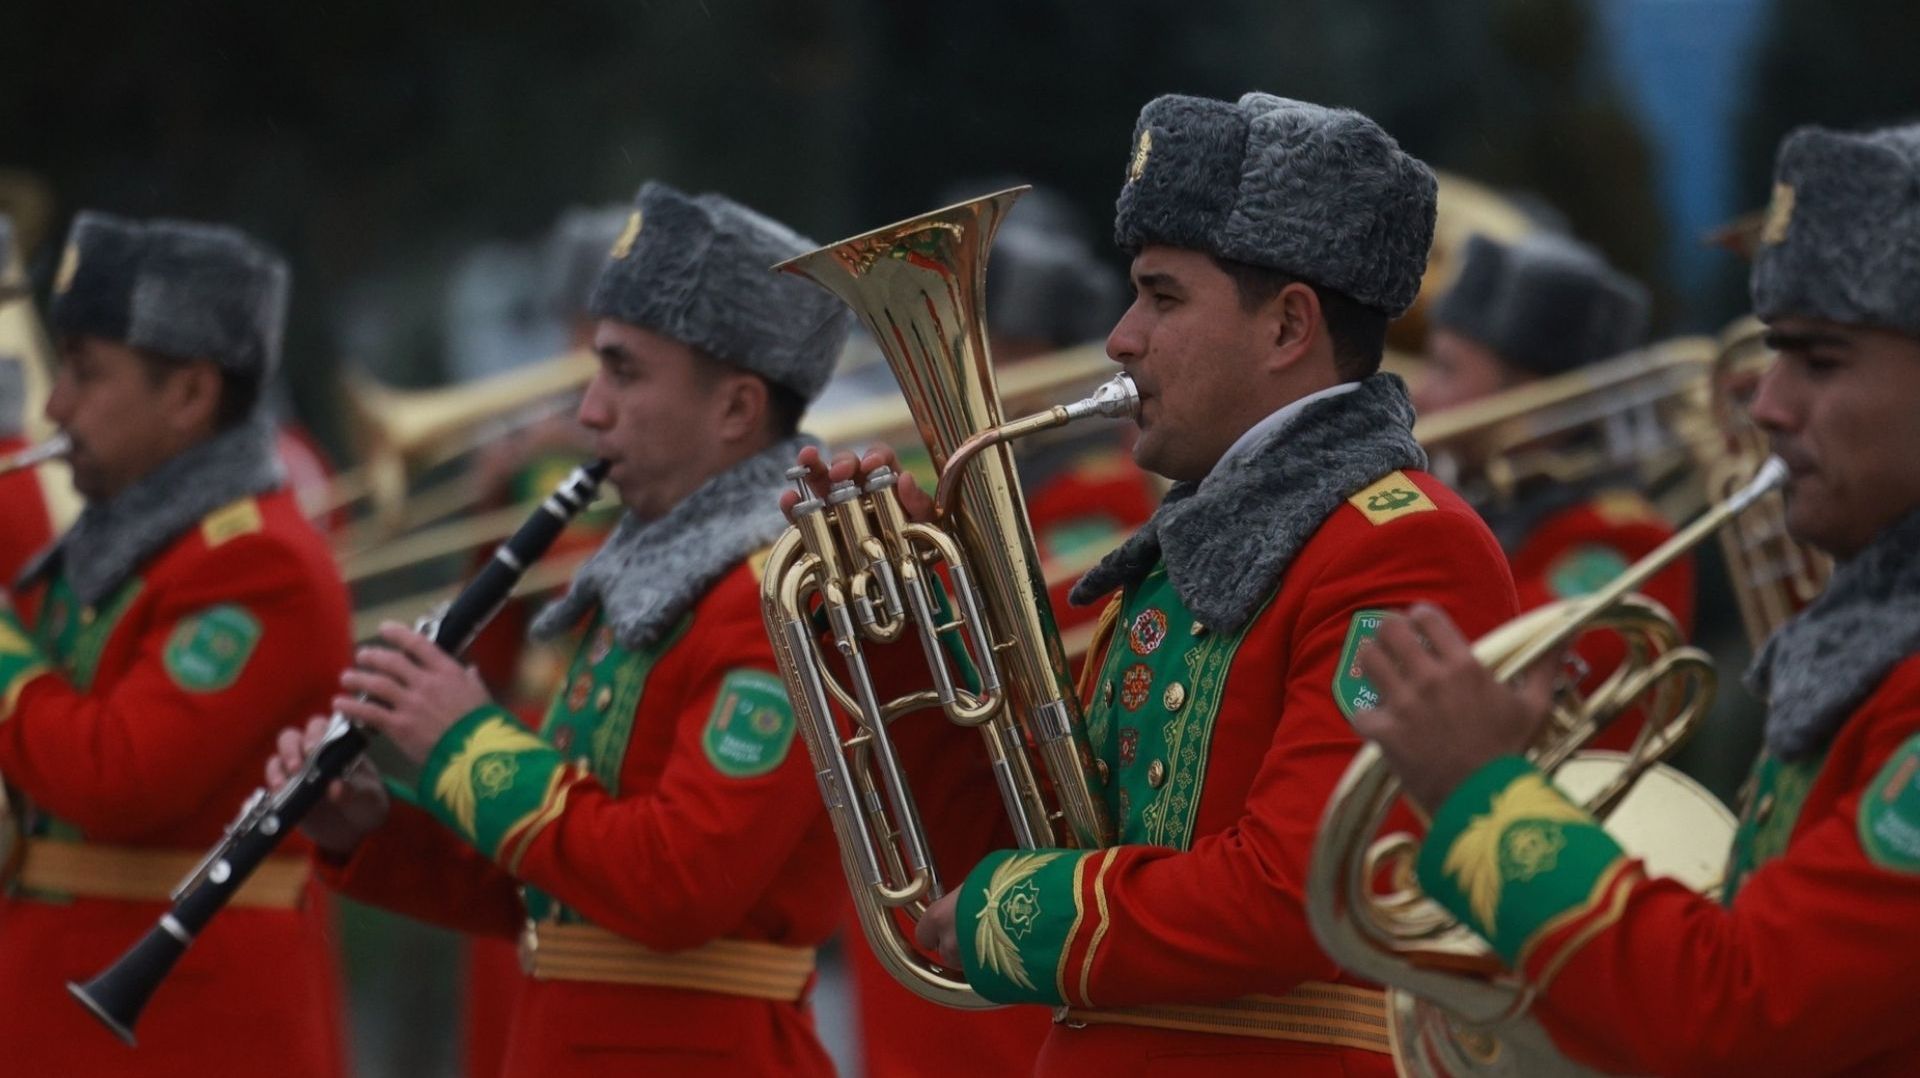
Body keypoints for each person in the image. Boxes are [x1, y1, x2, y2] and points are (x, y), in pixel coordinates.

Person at [797, 92, 1519, 1076]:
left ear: (1287, 327)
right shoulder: (1194, 543)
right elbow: (1024, 848)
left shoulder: (1405, 546)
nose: (1120, 338)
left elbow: (1299, 891)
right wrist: (902, 627)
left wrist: (1023, 914)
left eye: (1162, 296)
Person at [1350, 121, 1920, 1075]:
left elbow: (1735, 1016)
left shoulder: (1610, 533)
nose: (1767, 405)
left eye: (1819, 360)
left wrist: (1483, 791)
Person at [268, 181, 854, 1076]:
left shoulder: (781, 596)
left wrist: (463, 739)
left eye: (622, 373)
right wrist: (373, 830)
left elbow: (676, 884)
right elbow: (556, 883)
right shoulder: (649, 571)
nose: (586, 411)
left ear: (737, 408)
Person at [0, 212, 350, 1076]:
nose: (52, 406)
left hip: (185, 1029)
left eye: (85, 374)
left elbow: (119, 778)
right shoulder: (114, 550)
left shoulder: (259, 563)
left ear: (190, 396)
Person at [1417, 232, 1692, 749]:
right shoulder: (1479, 499)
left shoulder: (1627, 542)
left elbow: (1479, 668)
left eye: (1447, 369)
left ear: (1534, 400)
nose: (1421, 394)